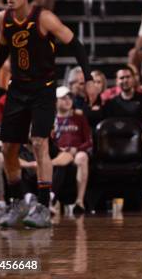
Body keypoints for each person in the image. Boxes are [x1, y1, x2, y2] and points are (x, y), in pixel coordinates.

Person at [0, 0, 93, 228]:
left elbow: (76, 44)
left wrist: (89, 77)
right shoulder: (2, 18)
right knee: (8, 148)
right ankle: (17, 202)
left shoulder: (44, 18)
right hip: (17, 89)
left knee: (39, 142)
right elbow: (3, 50)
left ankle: (41, 206)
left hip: (43, 89)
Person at [52, 86, 92, 215]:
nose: (68, 101)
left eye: (69, 97)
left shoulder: (79, 118)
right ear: (55, 102)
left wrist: (76, 149)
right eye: (63, 98)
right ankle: (50, 200)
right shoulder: (50, 120)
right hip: (57, 153)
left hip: (76, 154)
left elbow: (89, 141)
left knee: (82, 157)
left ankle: (79, 201)